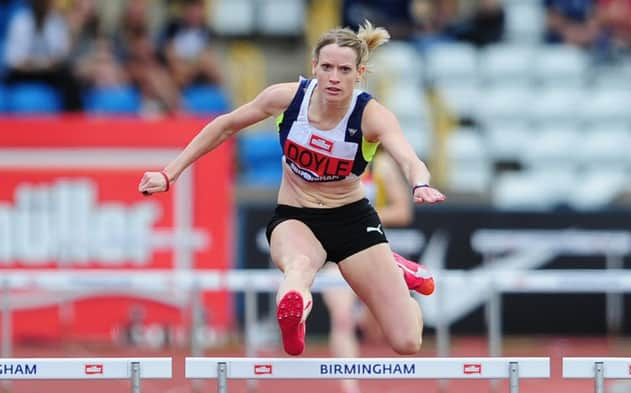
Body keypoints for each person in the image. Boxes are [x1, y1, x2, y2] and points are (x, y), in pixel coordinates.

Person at [138, 20, 446, 357]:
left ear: (359, 73)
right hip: (296, 217)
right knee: (298, 267)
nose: (333, 77)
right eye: (326, 67)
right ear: (313, 66)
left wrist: (420, 183)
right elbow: (224, 126)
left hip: (353, 222)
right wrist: (170, 174)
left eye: (344, 70)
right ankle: (293, 314)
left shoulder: (371, 115)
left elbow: (408, 157)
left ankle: (394, 269)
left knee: (406, 341)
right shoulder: (288, 98)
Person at [322, 148, 435, 393]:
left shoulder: (380, 165)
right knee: (342, 318)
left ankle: (406, 295)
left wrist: (358, 218)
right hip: (335, 257)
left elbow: (403, 212)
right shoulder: (324, 160)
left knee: (377, 332)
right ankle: (349, 388)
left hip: (372, 254)